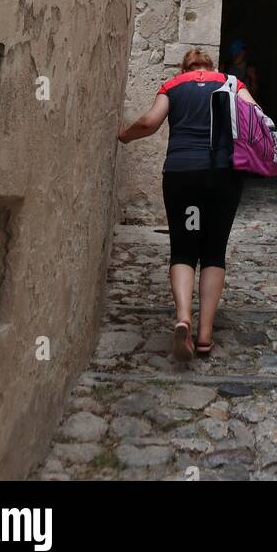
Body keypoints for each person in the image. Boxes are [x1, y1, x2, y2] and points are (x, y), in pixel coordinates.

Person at [117, 47, 254, 361]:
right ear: (211, 66)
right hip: (223, 174)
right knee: (214, 250)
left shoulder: (173, 85)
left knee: (183, 248)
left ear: (186, 69)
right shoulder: (232, 84)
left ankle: (183, 318)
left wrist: (125, 136)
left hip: (181, 175)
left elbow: (150, 122)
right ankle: (205, 335)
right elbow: (255, 119)